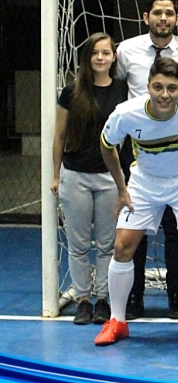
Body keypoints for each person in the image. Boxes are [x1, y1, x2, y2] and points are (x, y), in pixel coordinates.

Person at [95, 57, 178, 348]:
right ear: (147, 86)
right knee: (122, 246)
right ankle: (117, 321)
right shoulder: (126, 113)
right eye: (158, 87)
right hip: (144, 183)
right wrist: (121, 188)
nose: (165, 95)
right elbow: (106, 145)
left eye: (172, 88)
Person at [115, 0, 178, 320]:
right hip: (139, 148)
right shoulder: (127, 51)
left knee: (175, 230)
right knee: (132, 229)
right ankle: (133, 297)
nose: (163, 18)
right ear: (146, 17)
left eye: (169, 13)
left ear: (176, 19)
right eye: (157, 13)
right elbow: (121, 91)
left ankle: (176, 297)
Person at [51, 32, 127, 325]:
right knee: (79, 244)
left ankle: (104, 299)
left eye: (105, 53)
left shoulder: (122, 91)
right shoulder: (71, 92)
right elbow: (59, 135)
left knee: (108, 244)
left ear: (113, 57)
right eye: (95, 53)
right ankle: (83, 298)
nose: (100, 58)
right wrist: (56, 176)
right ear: (87, 57)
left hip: (109, 178)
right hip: (76, 176)